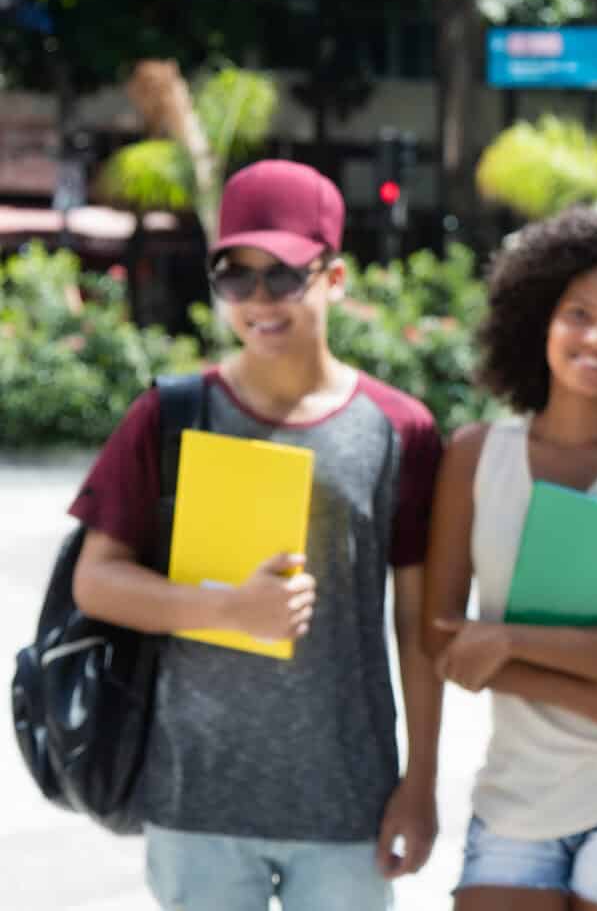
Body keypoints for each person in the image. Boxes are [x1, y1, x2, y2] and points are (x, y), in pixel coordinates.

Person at [70, 159, 443, 910]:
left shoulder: (400, 428)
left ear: (334, 277)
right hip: (195, 792)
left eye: (283, 275)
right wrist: (228, 610)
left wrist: (422, 779)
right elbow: (96, 580)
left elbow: (416, 622)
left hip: (347, 795)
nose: (257, 300)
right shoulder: (171, 413)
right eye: (235, 276)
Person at [422, 209, 597, 911]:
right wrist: (583, 690)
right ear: (539, 319)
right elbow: (440, 634)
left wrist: (510, 641)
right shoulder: (472, 455)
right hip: (515, 790)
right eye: (578, 314)